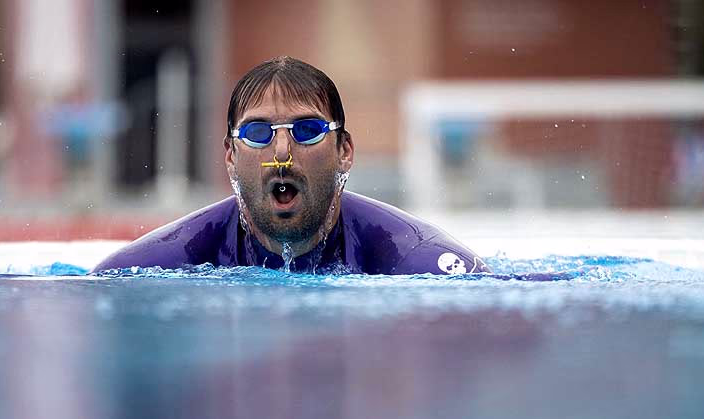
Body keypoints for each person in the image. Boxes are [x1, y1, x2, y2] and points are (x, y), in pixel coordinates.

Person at [94, 56, 488, 275]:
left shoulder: (415, 261)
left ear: (345, 150)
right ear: (230, 156)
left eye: (307, 129)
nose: (281, 152)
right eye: (258, 132)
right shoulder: (158, 266)